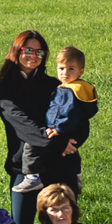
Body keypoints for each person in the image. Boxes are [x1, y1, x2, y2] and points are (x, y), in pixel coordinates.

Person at [0, 30, 61, 224]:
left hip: (55, 165)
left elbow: (70, 117)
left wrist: (70, 141)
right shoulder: (5, 88)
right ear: (17, 51)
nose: (34, 56)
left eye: (40, 52)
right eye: (28, 50)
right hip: (24, 167)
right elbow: (20, 123)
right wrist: (57, 143)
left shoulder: (54, 85)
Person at [38, 47, 100, 199]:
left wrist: (57, 129)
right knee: (73, 155)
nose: (65, 73)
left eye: (71, 69)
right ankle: (77, 175)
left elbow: (67, 112)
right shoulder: (81, 88)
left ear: (81, 71)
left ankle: (31, 176)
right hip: (77, 132)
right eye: (61, 68)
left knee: (32, 149)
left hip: (63, 130)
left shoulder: (69, 91)